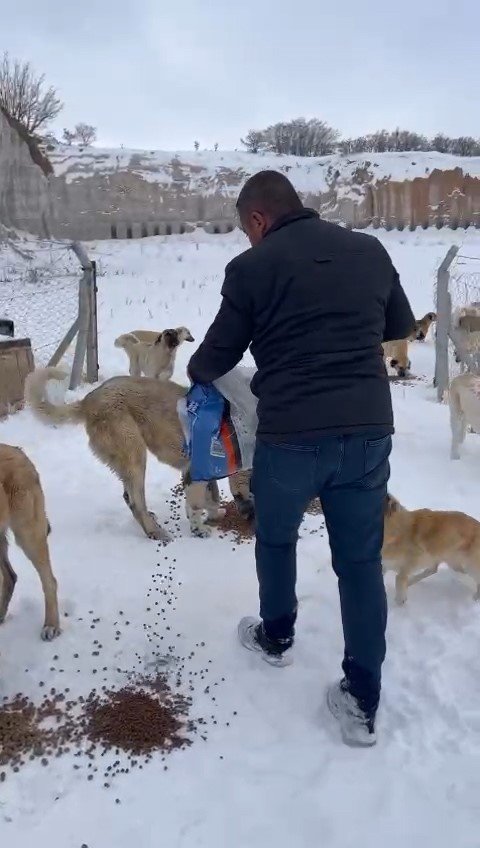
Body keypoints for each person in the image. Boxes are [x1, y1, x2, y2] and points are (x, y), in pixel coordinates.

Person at [188, 170, 414, 747]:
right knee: (360, 563)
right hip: (367, 431)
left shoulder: (252, 268)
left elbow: (212, 358)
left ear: (258, 220)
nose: (248, 241)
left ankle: (276, 637)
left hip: (290, 438)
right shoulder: (368, 250)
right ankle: (363, 701)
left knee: (277, 538)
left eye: (247, 230)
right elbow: (398, 327)